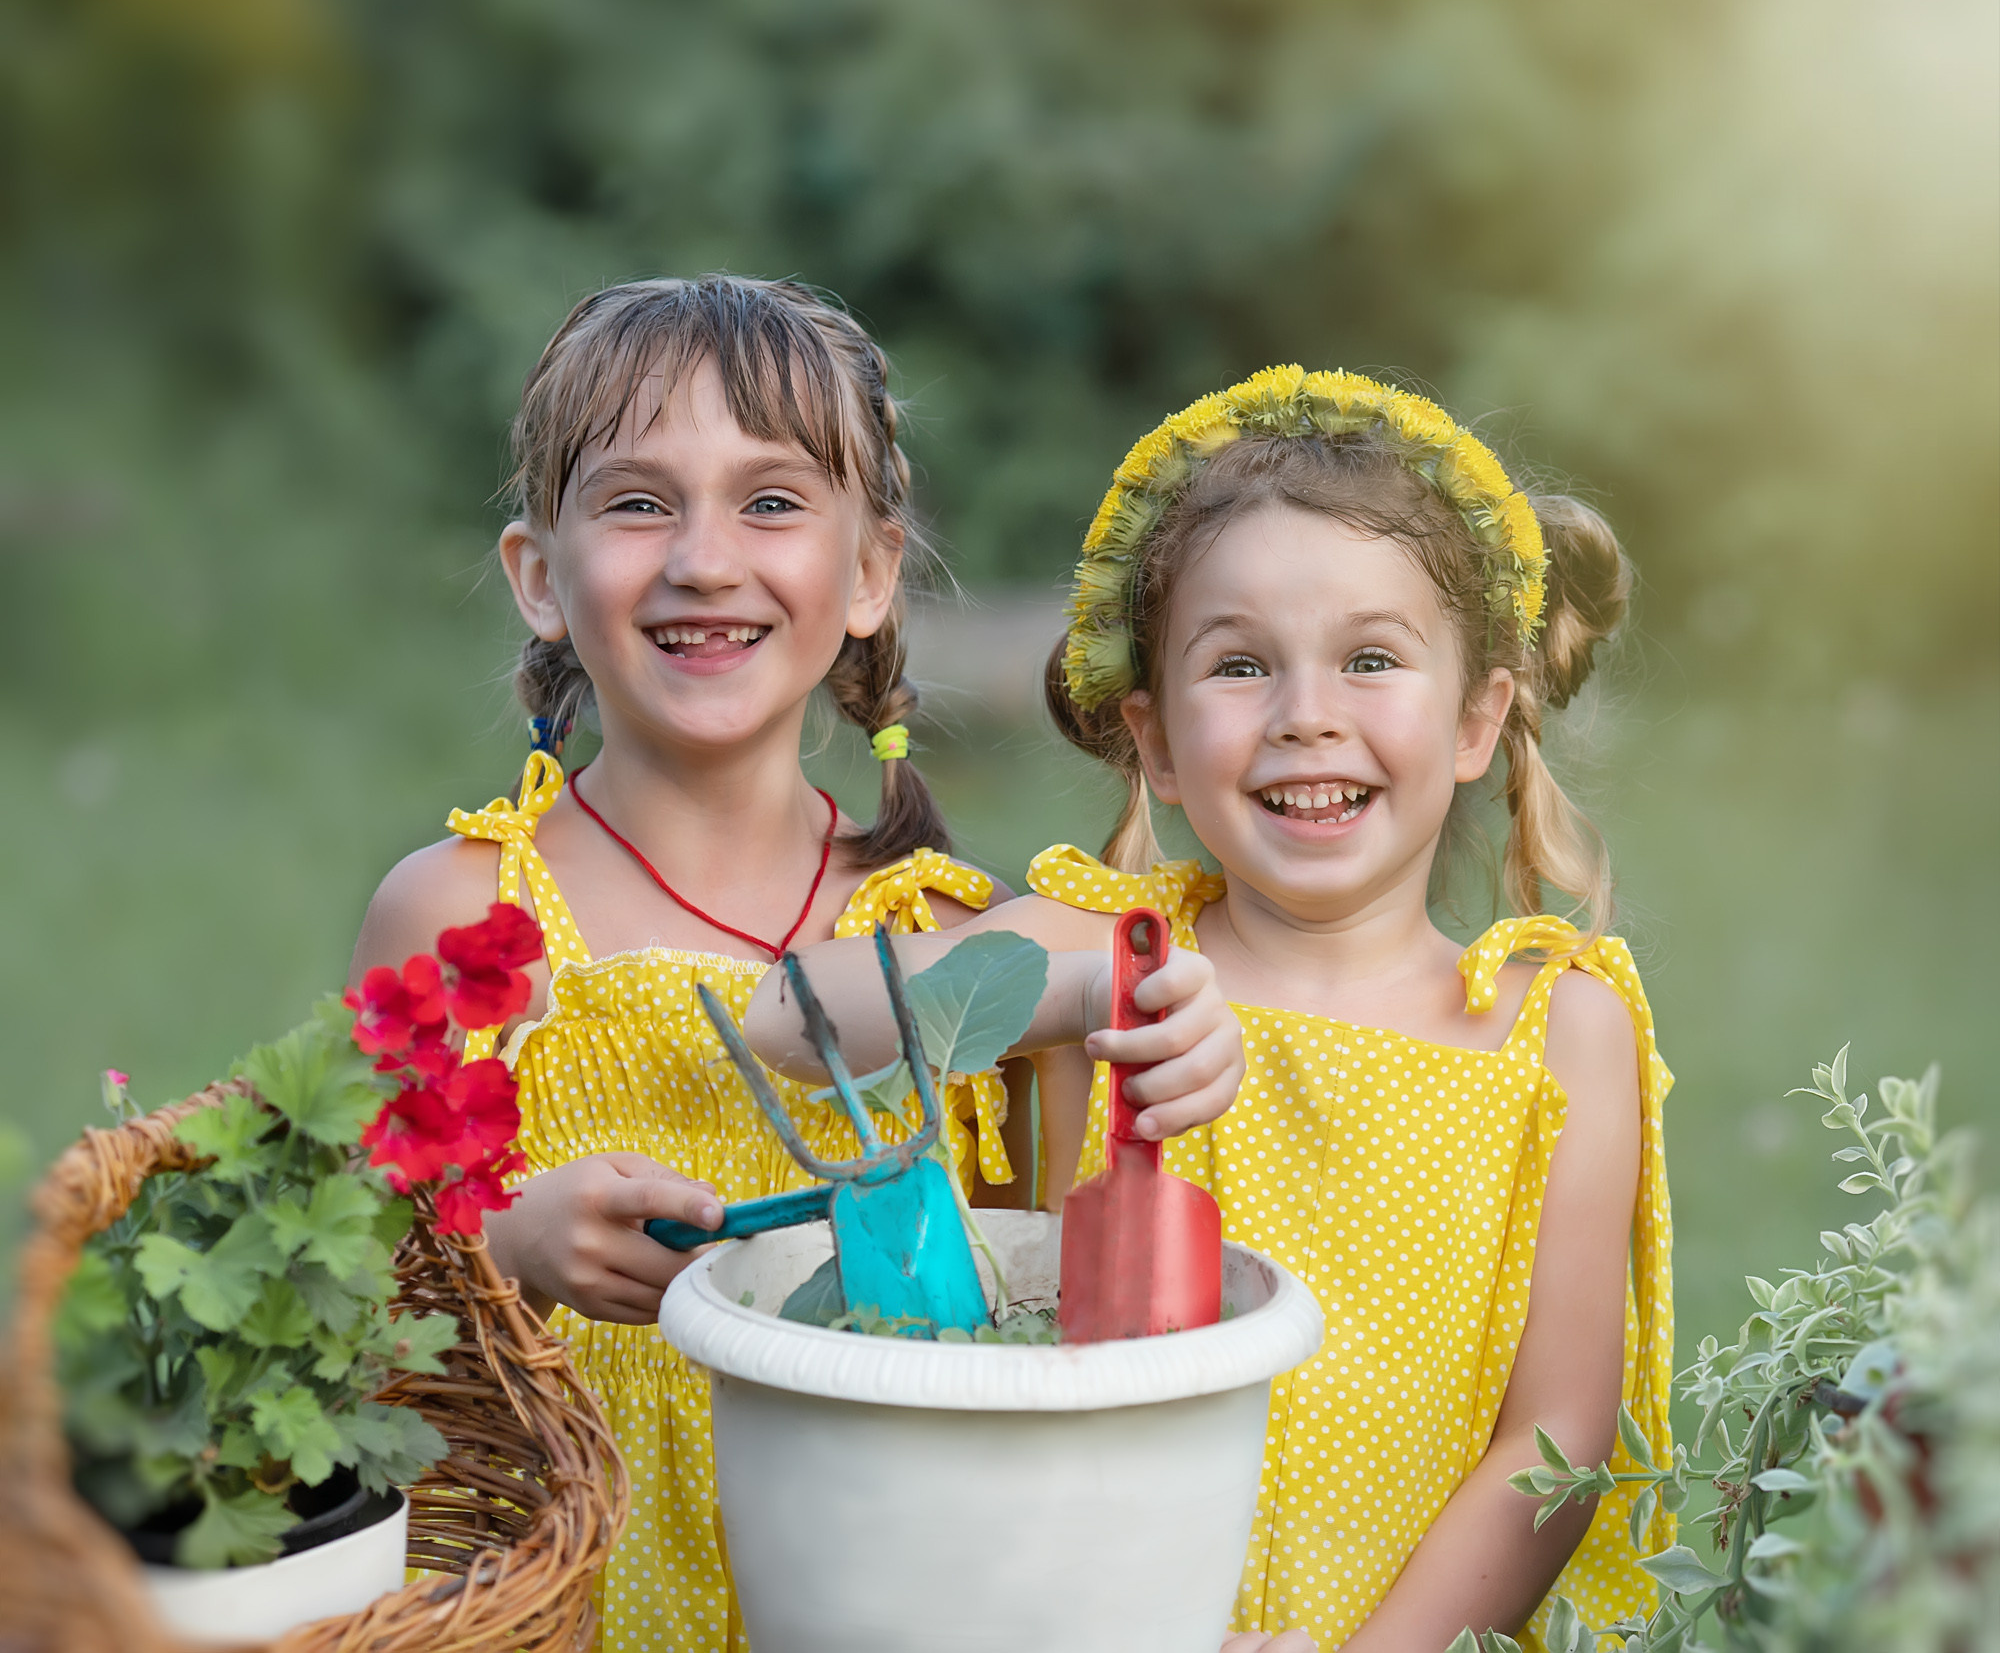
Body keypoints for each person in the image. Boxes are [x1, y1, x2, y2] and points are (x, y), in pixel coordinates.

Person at [349, 275, 1244, 1651]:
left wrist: (1158, 1022)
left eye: (772, 502)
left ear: (872, 573)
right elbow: (354, 1311)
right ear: (540, 575)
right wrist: (508, 1245)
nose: (706, 558)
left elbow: (1038, 1317)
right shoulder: (464, 921)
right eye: (641, 502)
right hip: (566, 1601)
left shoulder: (953, 938)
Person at [758, 366, 1672, 1653]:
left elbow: (1556, 1435)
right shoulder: (1102, 952)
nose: (1307, 717)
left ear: (1477, 717)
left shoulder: (1553, 1030)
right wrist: (1066, 992)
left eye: (1369, 658)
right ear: (1159, 742)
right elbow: (792, 1021)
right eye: (1240, 664)